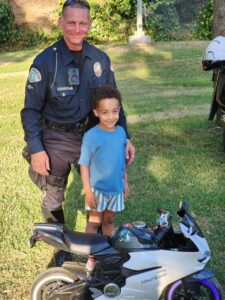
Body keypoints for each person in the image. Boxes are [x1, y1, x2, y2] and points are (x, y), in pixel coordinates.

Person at [20, 0, 135, 266]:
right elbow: (30, 111)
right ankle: (60, 251)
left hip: (93, 138)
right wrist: (37, 148)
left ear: (90, 25)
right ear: (61, 23)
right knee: (54, 195)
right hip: (56, 139)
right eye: (71, 22)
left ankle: (95, 247)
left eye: (82, 23)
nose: (77, 29)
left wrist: (125, 137)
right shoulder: (45, 62)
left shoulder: (100, 60)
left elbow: (115, 103)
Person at [79, 85, 129, 236]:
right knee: (94, 222)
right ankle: (92, 255)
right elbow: (84, 165)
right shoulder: (91, 136)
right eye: (105, 113)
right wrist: (88, 192)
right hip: (97, 190)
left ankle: (108, 253)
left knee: (109, 220)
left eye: (115, 111)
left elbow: (121, 162)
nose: (111, 117)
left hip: (116, 189)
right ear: (96, 112)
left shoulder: (121, 133)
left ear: (119, 110)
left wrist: (125, 181)